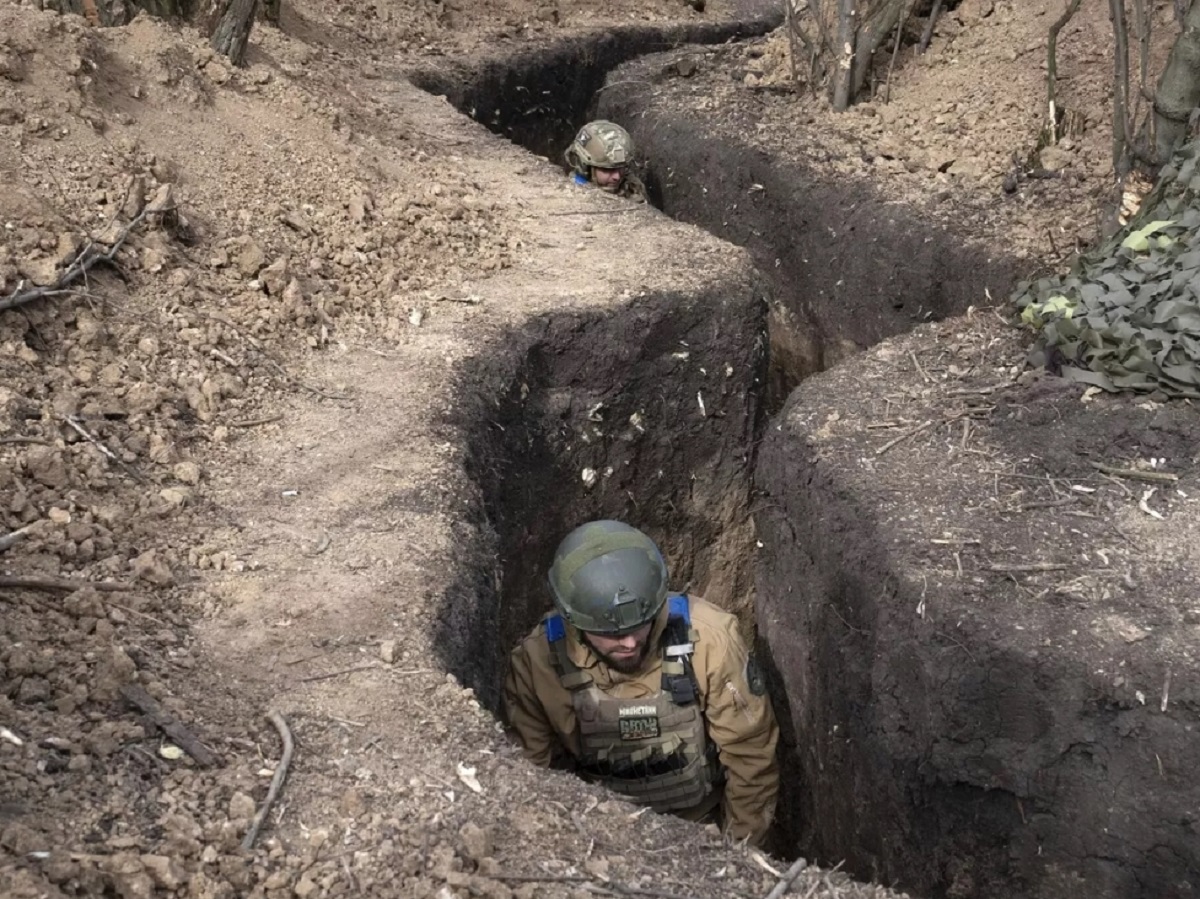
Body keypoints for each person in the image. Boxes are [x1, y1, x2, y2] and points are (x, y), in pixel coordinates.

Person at [504, 520, 779, 846]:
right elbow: (530, 776)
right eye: (612, 635)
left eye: (641, 625)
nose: (631, 643)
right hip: (598, 840)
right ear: (573, 621)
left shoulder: (711, 641)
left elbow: (751, 759)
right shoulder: (538, 663)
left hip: (700, 833)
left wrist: (737, 858)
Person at [564, 120, 649, 202]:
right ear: (586, 168)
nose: (617, 177)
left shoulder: (633, 188)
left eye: (621, 168)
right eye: (607, 170)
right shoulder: (572, 194)